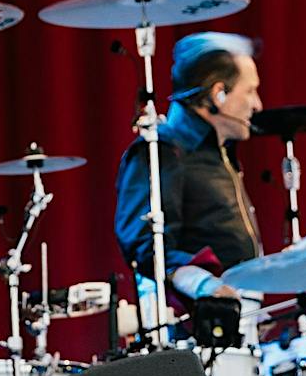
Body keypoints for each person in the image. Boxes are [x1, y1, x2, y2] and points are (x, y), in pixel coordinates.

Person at [111, 30, 265, 312]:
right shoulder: (164, 151)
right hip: (190, 326)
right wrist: (201, 283)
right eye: (250, 91)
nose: (257, 105)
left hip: (238, 320)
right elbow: (145, 244)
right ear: (219, 94)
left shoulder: (220, 152)